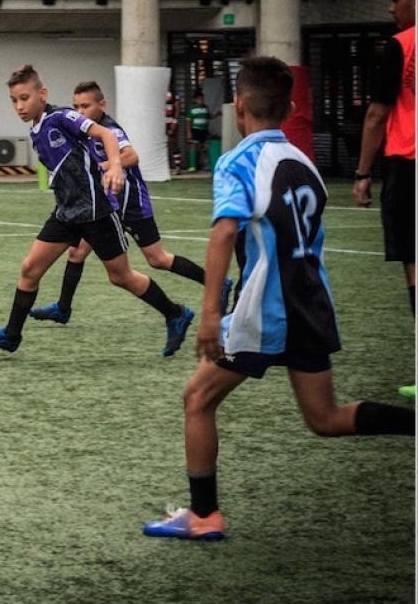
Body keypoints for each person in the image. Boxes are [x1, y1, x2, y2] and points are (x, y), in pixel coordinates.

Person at [142, 56, 415, 541]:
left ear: (239, 105)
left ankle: (204, 517)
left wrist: (209, 316)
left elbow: (226, 230)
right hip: (312, 303)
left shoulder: (238, 161)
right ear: (290, 108)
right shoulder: (305, 164)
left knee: (197, 399)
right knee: (324, 418)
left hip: (267, 309)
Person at [0, 66, 195, 357]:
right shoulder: (36, 132)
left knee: (121, 276)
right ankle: (11, 336)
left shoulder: (62, 117)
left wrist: (115, 165)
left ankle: (175, 313)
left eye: (25, 98)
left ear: (42, 93)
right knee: (30, 269)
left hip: (96, 213)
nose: (20, 106)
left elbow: (106, 135)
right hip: (66, 214)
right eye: (14, 100)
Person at [28, 81, 231, 326]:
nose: (80, 111)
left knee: (158, 259)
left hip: (131, 203)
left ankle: (215, 282)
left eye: (86, 105)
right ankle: (63, 307)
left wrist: (107, 166)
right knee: (77, 251)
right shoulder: (81, 128)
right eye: (76, 106)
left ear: (102, 105)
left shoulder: (109, 128)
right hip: (105, 204)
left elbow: (132, 155)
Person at [353, 0, 414, 322]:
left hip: (408, 163)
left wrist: (363, 173)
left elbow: (377, 115)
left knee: (414, 260)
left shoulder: (402, 45)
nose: (392, 8)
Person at [185, 89, 211, 172]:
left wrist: (218, 114)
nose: (201, 100)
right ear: (195, 100)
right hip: (195, 129)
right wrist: (189, 132)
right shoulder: (192, 108)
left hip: (204, 130)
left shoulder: (206, 108)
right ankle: (192, 166)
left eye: (202, 99)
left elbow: (209, 116)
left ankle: (207, 165)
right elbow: (188, 120)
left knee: (205, 147)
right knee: (193, 146)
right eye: (199, 99)